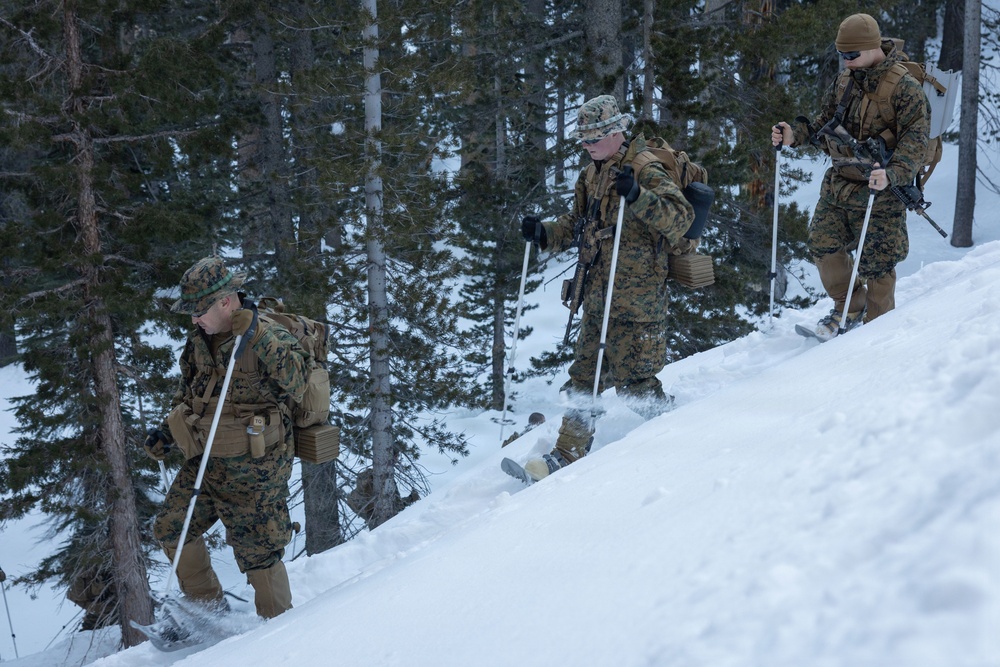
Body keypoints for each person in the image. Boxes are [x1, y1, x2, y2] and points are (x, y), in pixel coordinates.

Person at [518, 95, 694, 482]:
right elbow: (577, 223)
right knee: (584, 378)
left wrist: (637, 195)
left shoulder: (645, 169)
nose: (588, 145)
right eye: (583, 139)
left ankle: (682, 435)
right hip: (597, 294)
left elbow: (680, 219)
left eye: (595, 137)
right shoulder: (590, 174)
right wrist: (545, 233)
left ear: (617, 132)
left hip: (638, 300)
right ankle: (567, 454)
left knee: (636, 385)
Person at [143, 256, 310, 620]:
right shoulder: (199, 340)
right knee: (170, 528)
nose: (193, 318)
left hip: (256, 471)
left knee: (259, 554)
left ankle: (282, 631)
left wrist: (259, 335)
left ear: (225, 301)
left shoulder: (265, 333)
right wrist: (168, 434)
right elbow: (189, 393)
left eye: (198, 309)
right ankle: (208, 615)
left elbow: (299, 380)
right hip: (205, 461)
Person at [772, 13, 930, 340]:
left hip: (881, 192)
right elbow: (823, 122)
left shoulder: (905, 89)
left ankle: (876, 336)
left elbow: (915, 143)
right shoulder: (845, 81)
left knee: (878, 266)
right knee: (823, 245)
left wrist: (892, 174)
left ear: (873, 48)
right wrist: (794, 135)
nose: (846, 63)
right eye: (842, 55)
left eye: (851, 55)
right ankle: (850, 304)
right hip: (840, 186)